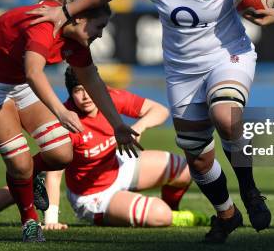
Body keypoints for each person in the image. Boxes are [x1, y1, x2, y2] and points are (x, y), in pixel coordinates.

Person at [27, 0, 274, 243]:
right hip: (182, 72)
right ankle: (227, 214)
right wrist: (65, 12)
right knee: (197, 157)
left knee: (226, 116)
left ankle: (251, 191)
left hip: (228, 56)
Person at [0, 0, 140, 242]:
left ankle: (29, 178)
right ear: (79, 18)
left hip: (19, 80)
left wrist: (118, 125)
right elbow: (34, 72)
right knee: (19, 163)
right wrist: (60, 111)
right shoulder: (45, 26)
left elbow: (92, 81)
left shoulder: (75, 38)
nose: (101, 35)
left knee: (61, 154)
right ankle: (29, 221)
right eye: (99, 27)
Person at [41, 67, 208, 229]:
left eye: (89, 87)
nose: (86, 96)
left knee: (185, 169)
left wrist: (139, 127)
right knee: (159, 214)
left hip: (118, 166)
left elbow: (160, 111)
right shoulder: (67, 121)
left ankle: (172, 212)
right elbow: (54, 175)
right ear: (70, 93)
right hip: (93, 196)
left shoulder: (108, 97)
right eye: (78, 90)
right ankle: (167, 217)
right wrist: (51, 220)